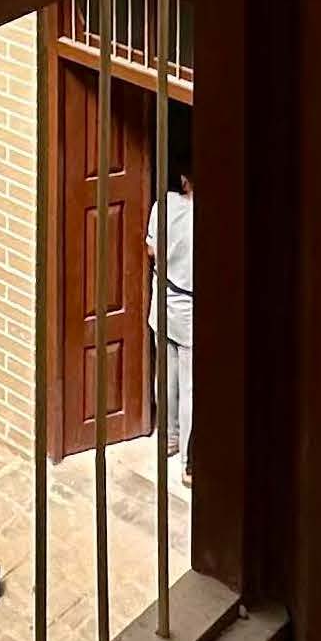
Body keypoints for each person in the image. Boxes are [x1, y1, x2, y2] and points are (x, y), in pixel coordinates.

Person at [148, 146, 194, 470]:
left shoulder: (164, 204)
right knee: (190, 384)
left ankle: (168, 437)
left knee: (165, 372)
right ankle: (190, 459)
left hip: (162, 295)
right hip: (191, 305)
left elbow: (151, 248)